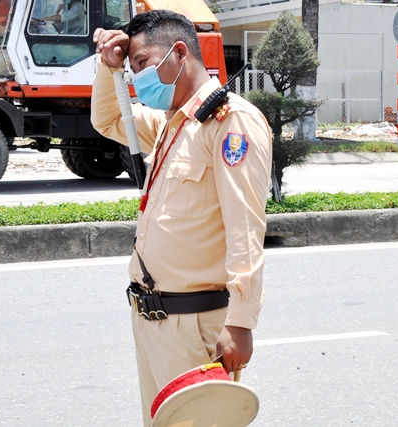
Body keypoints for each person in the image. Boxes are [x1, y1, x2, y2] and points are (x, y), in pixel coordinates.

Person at [91, 10, 272, 427]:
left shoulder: (230, 123)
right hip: (152, 320)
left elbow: (246, 228)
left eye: (141, 64)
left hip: (194, 325)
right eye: (132, 68)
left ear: (178, 53)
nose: (137, 78)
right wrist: (109, 65)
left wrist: (241, 322)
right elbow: (108, 118)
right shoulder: (173, 123)